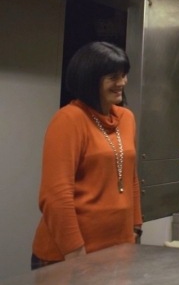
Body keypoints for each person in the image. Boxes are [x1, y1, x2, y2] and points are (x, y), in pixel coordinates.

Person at [31, 42, 142, 269]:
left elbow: (131, 178)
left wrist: (136, 227)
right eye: (113, 77)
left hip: (117, 252)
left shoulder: (127, 118)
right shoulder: (69, 120)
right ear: (90, 79)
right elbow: (55, 195)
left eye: (123, 75)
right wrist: (76, 254)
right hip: (70, 257)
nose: (122, 83)